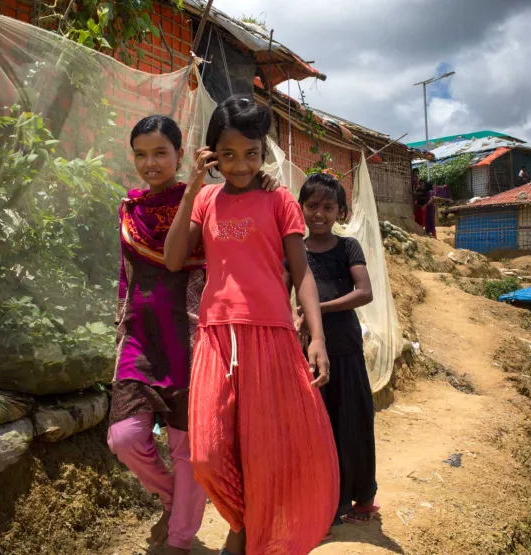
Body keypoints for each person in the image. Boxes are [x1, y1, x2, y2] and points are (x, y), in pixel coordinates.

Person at [164, 95, 339, 555]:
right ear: (211, 154)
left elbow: (301, 273)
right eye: (228, 154)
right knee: (206, 455)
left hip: (272, 335)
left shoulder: (280, 200)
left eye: (251, 153)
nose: (240, 165)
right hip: (216, 335)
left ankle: (246, 535)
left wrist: (316, 336)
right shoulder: (204, 199)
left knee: (265, 450)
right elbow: (174, 257)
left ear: (264, 151)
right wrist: (192, 187)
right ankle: (244, 521)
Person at [107, 115, 280, 555]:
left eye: (160, 153)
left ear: (180, 155)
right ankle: (171, 498)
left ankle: (181, 539)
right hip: (140, 338)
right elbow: (126, 275)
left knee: (188, 447)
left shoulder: (204, 202)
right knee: (123, 437)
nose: (150, 163)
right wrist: (121, 319)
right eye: (141, 155)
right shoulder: (130, 210)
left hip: (190, 336)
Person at [287, 173, 378, 531]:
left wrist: (317, 310)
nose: (319, 214)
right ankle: (327, 501)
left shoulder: (347, 247)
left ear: (340, 211)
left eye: (328, 207)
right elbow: (282, 291)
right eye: (312, 206)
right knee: (318, 429)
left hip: (345, 348)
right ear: (301, 208)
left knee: (354, 422)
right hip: (309, 351)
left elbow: (364, 292)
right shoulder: (295, 250)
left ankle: (362, 497)